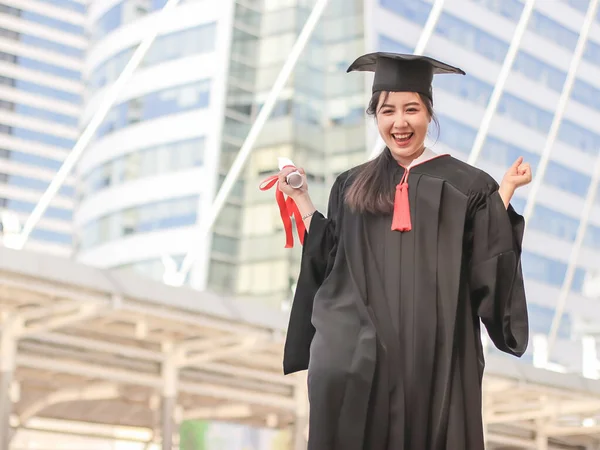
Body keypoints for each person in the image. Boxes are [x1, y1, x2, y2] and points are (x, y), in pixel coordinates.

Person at [276, 53, 532, 450]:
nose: (400, 122)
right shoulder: (351, 186)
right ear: (375, 117)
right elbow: (331, 260)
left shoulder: (467, 184)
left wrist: (504, 194)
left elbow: (486, 255)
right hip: (366, 358)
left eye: (411, 109)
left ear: (428, 114)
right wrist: (302, 198)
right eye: (387, 111)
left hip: (436, 355)